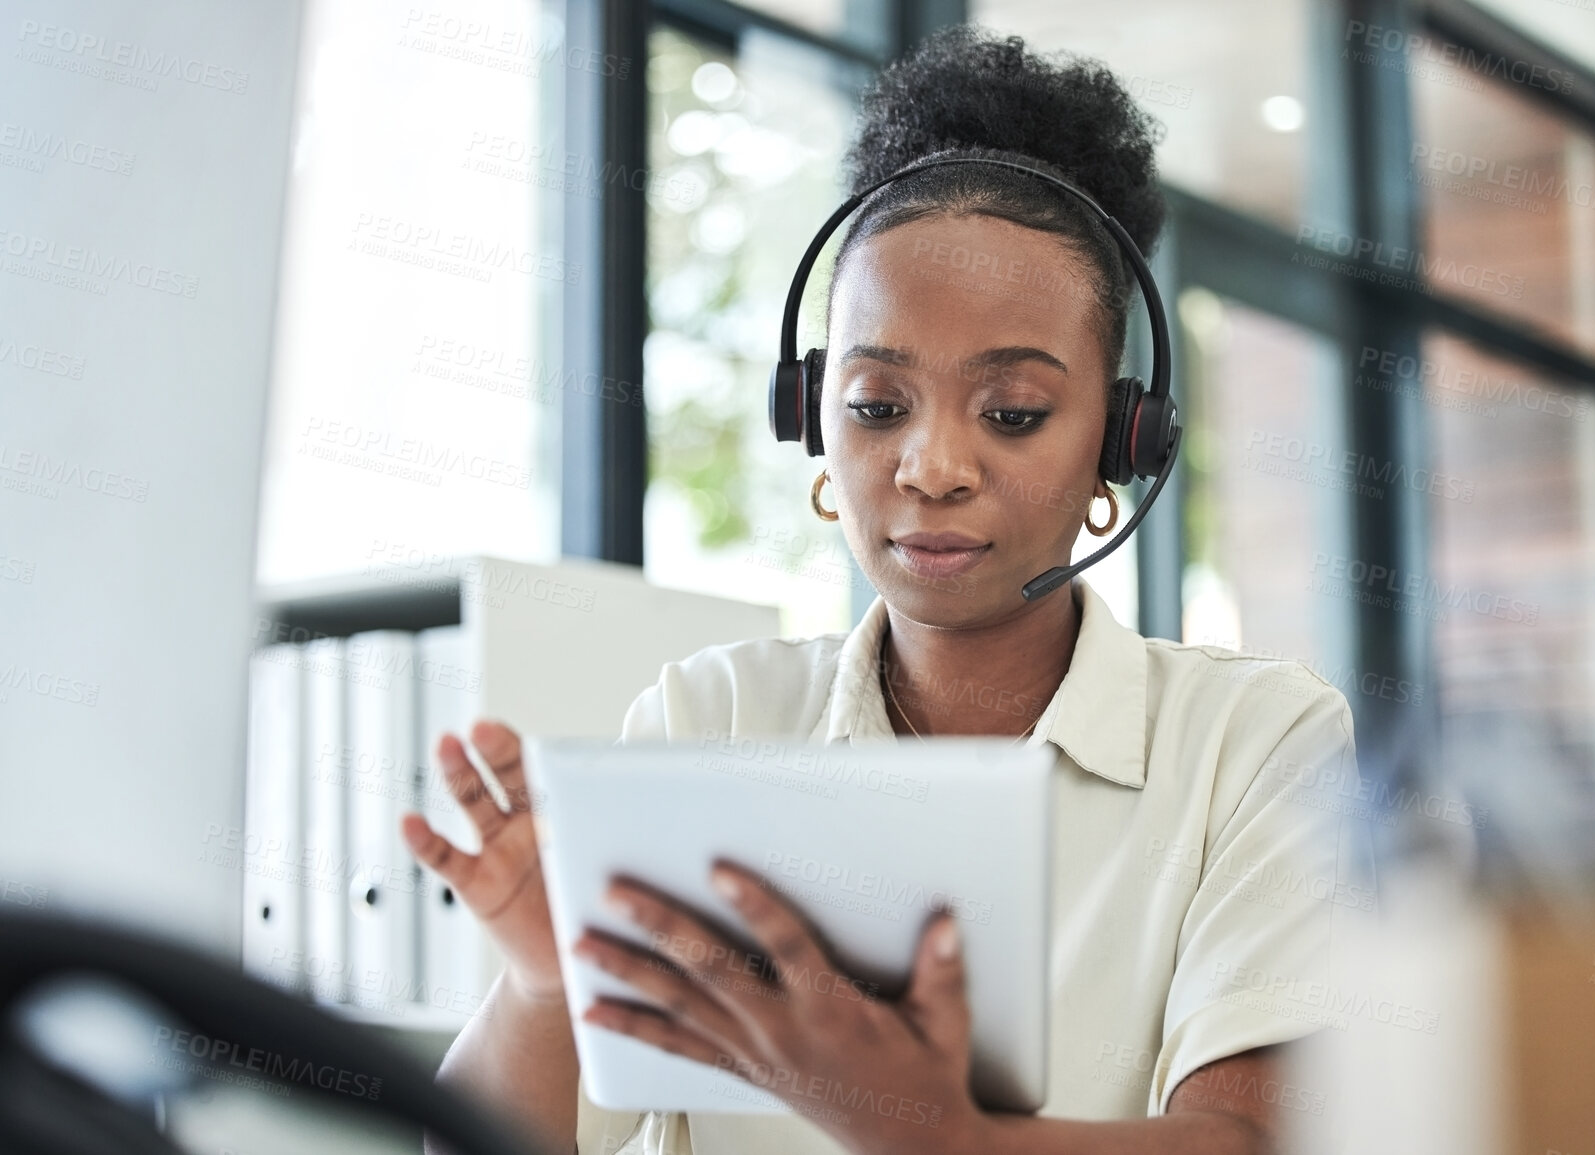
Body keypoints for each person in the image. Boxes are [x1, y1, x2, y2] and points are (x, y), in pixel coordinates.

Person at [403, 25, 1367, 1155]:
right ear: (812, 418)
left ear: (1123, 437)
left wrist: (943, 1134)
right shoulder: (708, 721)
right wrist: (540, 991)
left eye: (1011, 412)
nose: (934, 467)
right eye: (875, 405)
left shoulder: (1252, 746)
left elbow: (1244, 1142)